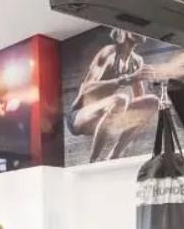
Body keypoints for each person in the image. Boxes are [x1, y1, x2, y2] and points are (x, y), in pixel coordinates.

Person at [67, 28, 160, 161]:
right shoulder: (109, 53)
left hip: (106, 117)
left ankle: (114, 156)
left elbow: (140, 104)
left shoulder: (137, 61)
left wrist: (155, 89)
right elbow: (85, 89)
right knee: (121, 100)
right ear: (123, 31)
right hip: (80, 115)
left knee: (152, 102)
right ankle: (93, 161)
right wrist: (126, 79)